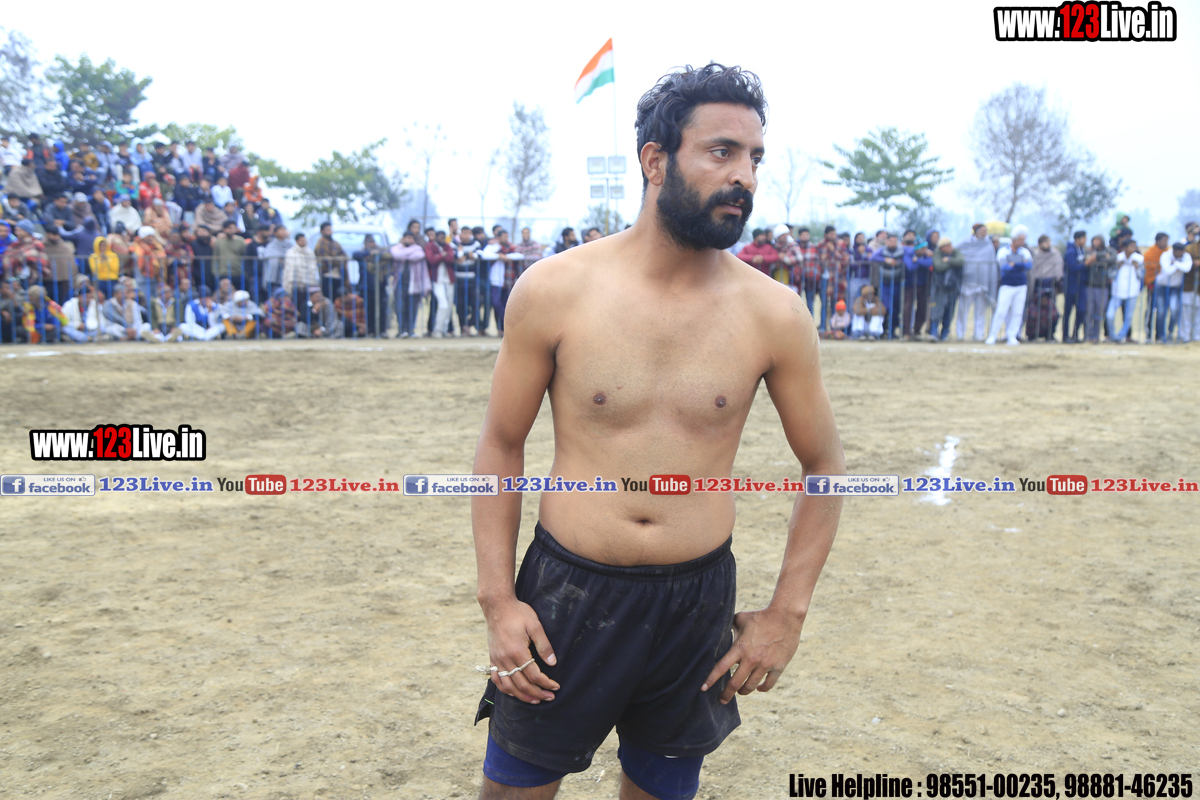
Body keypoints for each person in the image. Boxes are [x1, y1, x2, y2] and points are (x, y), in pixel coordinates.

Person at [471, 63, 842, 800]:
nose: (743, 177)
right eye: (721, 152)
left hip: (695, 604)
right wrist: (498, 601)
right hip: (567, 593)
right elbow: (502, 445)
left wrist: (787, 613)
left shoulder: (774, 314)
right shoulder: (556, 290)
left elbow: (824, 465)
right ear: (654, 160)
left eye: (754, 158)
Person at [986, 225, 1032, 346]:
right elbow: (1004, 267)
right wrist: (1020, 264)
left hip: (1021, 285)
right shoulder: (1003, 251)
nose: (1022, 242)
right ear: (1014, 239)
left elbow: (1028, 265)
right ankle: (992, 335)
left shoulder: (1025, 252)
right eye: (1020, 239)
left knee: (1017, 312)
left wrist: (1014, 264)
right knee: (1001, 311)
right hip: (1007, 285)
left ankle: (1012, 335)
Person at [957, 223, 997, 342]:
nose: (985, 233)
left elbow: (992, 264)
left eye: (986, 231)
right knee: (963, 310)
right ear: (976, 231)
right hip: (967, 282)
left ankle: (979, 334)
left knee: (980, 311)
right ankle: (960, 334)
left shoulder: (988, 245)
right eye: (983, 230)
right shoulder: (965, 243)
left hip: (983, 283)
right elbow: (957, 253)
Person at [352, 234, 390, 337]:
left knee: (382, 309)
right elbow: (355, 255)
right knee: (369, 309)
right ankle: (371, 330)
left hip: (380, 284)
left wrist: (377, 254)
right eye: (369, 242)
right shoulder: (363, 252)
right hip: (367, 286)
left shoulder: (381, 251)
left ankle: (382, 330)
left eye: (373, 242)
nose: (372, 244)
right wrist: (369, 253)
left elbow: (389, 255)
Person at [1026, 234, 1062, 342]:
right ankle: (1032, 335)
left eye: (1049, 242)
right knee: (1034, 313)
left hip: (1051, 285)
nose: (1048, 244)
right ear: (1040, 244)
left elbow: (1059, 270)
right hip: (1037, 285)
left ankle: (1050, 335)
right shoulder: (1035, 255)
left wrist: (1058, 283)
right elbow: (1032, 270)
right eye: (1046, 242)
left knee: (1053, 313)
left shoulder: (1055, 254)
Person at [390, 232, 427, 338]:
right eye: (408, 238)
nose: (409, 240)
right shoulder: (397, 248)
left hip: (413, 284)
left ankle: (411, 330)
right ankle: (402, 330)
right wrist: (409, 253)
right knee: (400, 307)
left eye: (411, 238)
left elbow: (419, 255)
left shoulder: (418, 249)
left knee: (412, 308)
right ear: (403, 238)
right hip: (399, 284)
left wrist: (404, 255)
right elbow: (396, 254)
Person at [1107, 239, 1144, 343]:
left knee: (1128, 317)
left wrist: (1137, 267)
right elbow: (1111, 275)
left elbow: (1141, 275)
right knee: (1109, 315)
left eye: (1134, 246)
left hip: (1132, 292)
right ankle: (1113, 335)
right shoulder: (1118, 258)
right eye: (1131, 246)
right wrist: (1118, 266)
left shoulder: (1139, 259)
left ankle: (1120, 336)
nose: (1134, 248)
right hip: (1117, 292)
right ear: (1124, 248)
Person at [870, 233, 905, 339]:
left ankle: (892, 331)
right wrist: (886, 260)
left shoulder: (901, 251)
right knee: (886, 307)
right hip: (885, 284)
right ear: (887, 242)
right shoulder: (882, 250)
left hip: (897, 283)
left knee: (896, 308)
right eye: (890, 241)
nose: (893, 243)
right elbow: (873, 257)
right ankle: (883, 330)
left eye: (895, 241)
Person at [1083, 234, 1116, 343]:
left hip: (1103, 287)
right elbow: (1086, 260)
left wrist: (1095, 258)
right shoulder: (1088, 251)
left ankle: (1095, 335)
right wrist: (1101, 257)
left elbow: (1112, 260)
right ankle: (1087, 335)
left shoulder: (1110, 251)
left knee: (1099, 312)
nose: (1095, 243)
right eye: (1094, 240)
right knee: (1089, 312)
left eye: (1097, 240)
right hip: (1090, 286)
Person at [929, 237, 963, 341]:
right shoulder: (937, 254)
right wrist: (952, 264)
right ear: (942, 248)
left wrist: (948, 260)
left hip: (952, 288)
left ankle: (945, 334)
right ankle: (934, 332)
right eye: (947, 246)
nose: (950, 247)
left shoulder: (956, 252)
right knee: (936, 310)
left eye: (950, 245)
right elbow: (939, 266)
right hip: (939, 288)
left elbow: (960, 261)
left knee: (949, 311)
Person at [1157, 242, 1192, 343]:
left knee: (1174, 310)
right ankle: (1160, 335)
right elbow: (1167, 271)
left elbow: (1187, 268)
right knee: (1161, 312)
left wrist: (1175, 263)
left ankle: (1170, 332)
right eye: (1180, 252)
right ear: (1175, 251)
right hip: (1162, 286)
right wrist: (1179, 266)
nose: (1182, 254)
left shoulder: (1186, 256)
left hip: (1175, 287)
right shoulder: (1166, 255)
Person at [426, 230, 457, 337]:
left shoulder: (448, 246)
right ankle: (438, 329)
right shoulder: (430, 246)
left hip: (449, 280)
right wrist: (442, 255)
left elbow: (451, 258)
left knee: (449, 306)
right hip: (437, 280)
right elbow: (431, 260)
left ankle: (444, 329)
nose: (442, 239)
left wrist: (439, 256)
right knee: (443, 304)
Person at [1061, 230, 1089, 343]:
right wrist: (1086, 263)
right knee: (1068, 311)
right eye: (1084, 238)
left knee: (1081, 310)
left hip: (1081, 286)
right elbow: (1073, 268)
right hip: (1070, 285)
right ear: (1077, 239)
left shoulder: (1082, 251)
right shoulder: (1070, 252)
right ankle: (1065, 336)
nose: (1085, 240)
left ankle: (1075, 334)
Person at [41, 227, 77, 307]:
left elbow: (71, 263)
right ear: (48, 234)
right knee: (48, 304)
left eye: (57, 235)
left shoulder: (64, 246)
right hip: (47, 280)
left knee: (60, 303)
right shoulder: (42, 246)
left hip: (62, 281)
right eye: (53, 234)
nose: (56, 237)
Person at [313, 222, 347, 300]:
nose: (330, 231)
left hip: (338, 275)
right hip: (327, 275)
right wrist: (337, 259)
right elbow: (326, 260)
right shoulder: (320, 244)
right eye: (327, 229)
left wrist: (337, 259)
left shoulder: (335, 243)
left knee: (338, 299)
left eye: (330, 229)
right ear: (322, 231)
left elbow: (344, 256)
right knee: (328, 299)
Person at [213, 220, 248, 291]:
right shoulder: (219, 242)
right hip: (223, 273)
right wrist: (215, 272)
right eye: (229, 228)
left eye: (233, 228)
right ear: (224, 229)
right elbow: (215, 258)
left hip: (238, 272)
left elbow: (245, 257)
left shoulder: (241, 241)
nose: (231, 230)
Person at [282, 232, 319, 299]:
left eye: (304, 240)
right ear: (297, 241)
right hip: (296, 284)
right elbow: (290, 268)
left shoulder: (310, 252)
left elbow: (313, 266)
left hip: (308, 283)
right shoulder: (291, 252)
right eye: (301, 240)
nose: (303, 242)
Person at [263, 225, 293, 299]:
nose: (284, 231)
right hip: (273, 277)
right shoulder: (271, 245)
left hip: (287, 276)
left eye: (284, 229)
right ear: (275, 233)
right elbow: (268, 255)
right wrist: (278, 259)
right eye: (281, 229)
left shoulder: (290, 245)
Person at [1182, 224, 1200, 343]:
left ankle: (1197, 335)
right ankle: (1185, 335)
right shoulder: (1189, 249)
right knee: (1186, 311)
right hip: (1189, 284)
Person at [88, 235, 120, 300]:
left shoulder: (113, 255)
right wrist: (101, 261)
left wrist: (107, 261)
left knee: (112, 298)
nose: (103, 247)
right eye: (101, 245)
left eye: (104, 245)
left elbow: (115, 269)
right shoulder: (93, 257)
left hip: (112, 280)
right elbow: (94, 270)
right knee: (101, 298)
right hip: (100, 280)